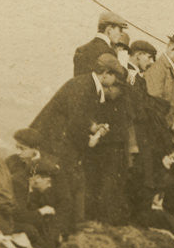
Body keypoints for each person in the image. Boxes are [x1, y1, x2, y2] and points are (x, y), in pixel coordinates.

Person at [28, 53, 130, 234]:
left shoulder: (88, 85)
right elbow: (75, 122)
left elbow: (81, 117)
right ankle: (70, 225)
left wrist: (94, 127)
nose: (115, 81)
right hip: (52, 139)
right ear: (105, 73)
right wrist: (90, 140)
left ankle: (72, 223)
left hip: (57, 138)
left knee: (72, 179)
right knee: (68, 179)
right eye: (115, 76)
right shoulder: (85, 86)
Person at [73, 11, 127, 76]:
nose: (122, 34)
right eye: (120, 30)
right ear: (109, 29)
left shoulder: (81, 49)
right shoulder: (108, 51)